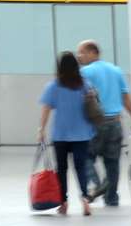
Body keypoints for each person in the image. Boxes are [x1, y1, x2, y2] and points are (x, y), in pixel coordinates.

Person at [75, 40, 131, 207]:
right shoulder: (116, 71)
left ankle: (98, 185)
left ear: (94, 53)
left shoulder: (84, 72)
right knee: (112, 162)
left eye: (82, 52)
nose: (79, 56)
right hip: (115, 123)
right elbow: (125, 97)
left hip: (94, 124)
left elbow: (80, 98)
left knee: (85, 156)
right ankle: (111, 197)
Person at [36, 51, 97, 217]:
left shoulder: (53, 86)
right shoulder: (85, 84)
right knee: (81, 168)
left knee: (61, 169)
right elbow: (93, 105)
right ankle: (85, 199)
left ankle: (63, 202)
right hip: (82, 134)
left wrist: (41, 129)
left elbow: (46, 110)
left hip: (61, 135)